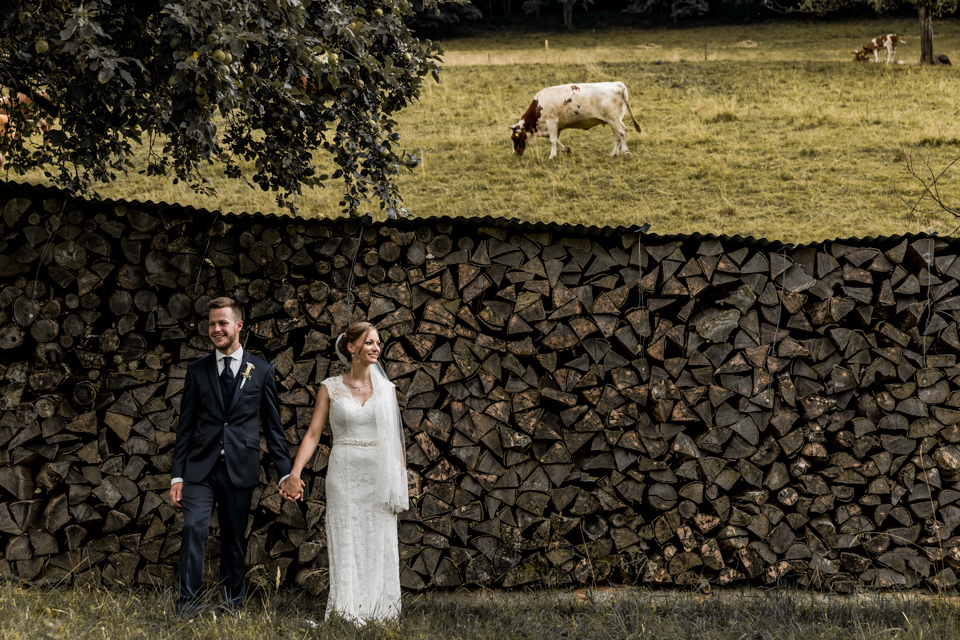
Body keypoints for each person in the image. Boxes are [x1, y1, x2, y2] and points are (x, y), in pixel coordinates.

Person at [170, 297, 293, 615]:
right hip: (200, 468)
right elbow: (185, 427)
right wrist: (177, 475)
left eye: (222, 323)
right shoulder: (197, 370)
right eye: (211, 323)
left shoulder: (262, 370)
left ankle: (232, 603)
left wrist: (285, 473)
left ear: (239, 325)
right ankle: (188, 604)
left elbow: (273, 428)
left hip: (240, 467)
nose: (216, 329)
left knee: (234, 539)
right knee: (194, 528)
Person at [281, 321, 407, 624]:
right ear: (351, 347)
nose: (376, 348)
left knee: (378, 539)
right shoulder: (330, 387)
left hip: (379, 474)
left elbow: (394, 441)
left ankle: (381, 611)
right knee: (347, 538)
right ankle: (346, 610)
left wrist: (399, 483)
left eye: (378, 342)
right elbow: (313, 434)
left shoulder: (387, 390)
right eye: (369, 342)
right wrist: (295, 473)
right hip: (345, 474)